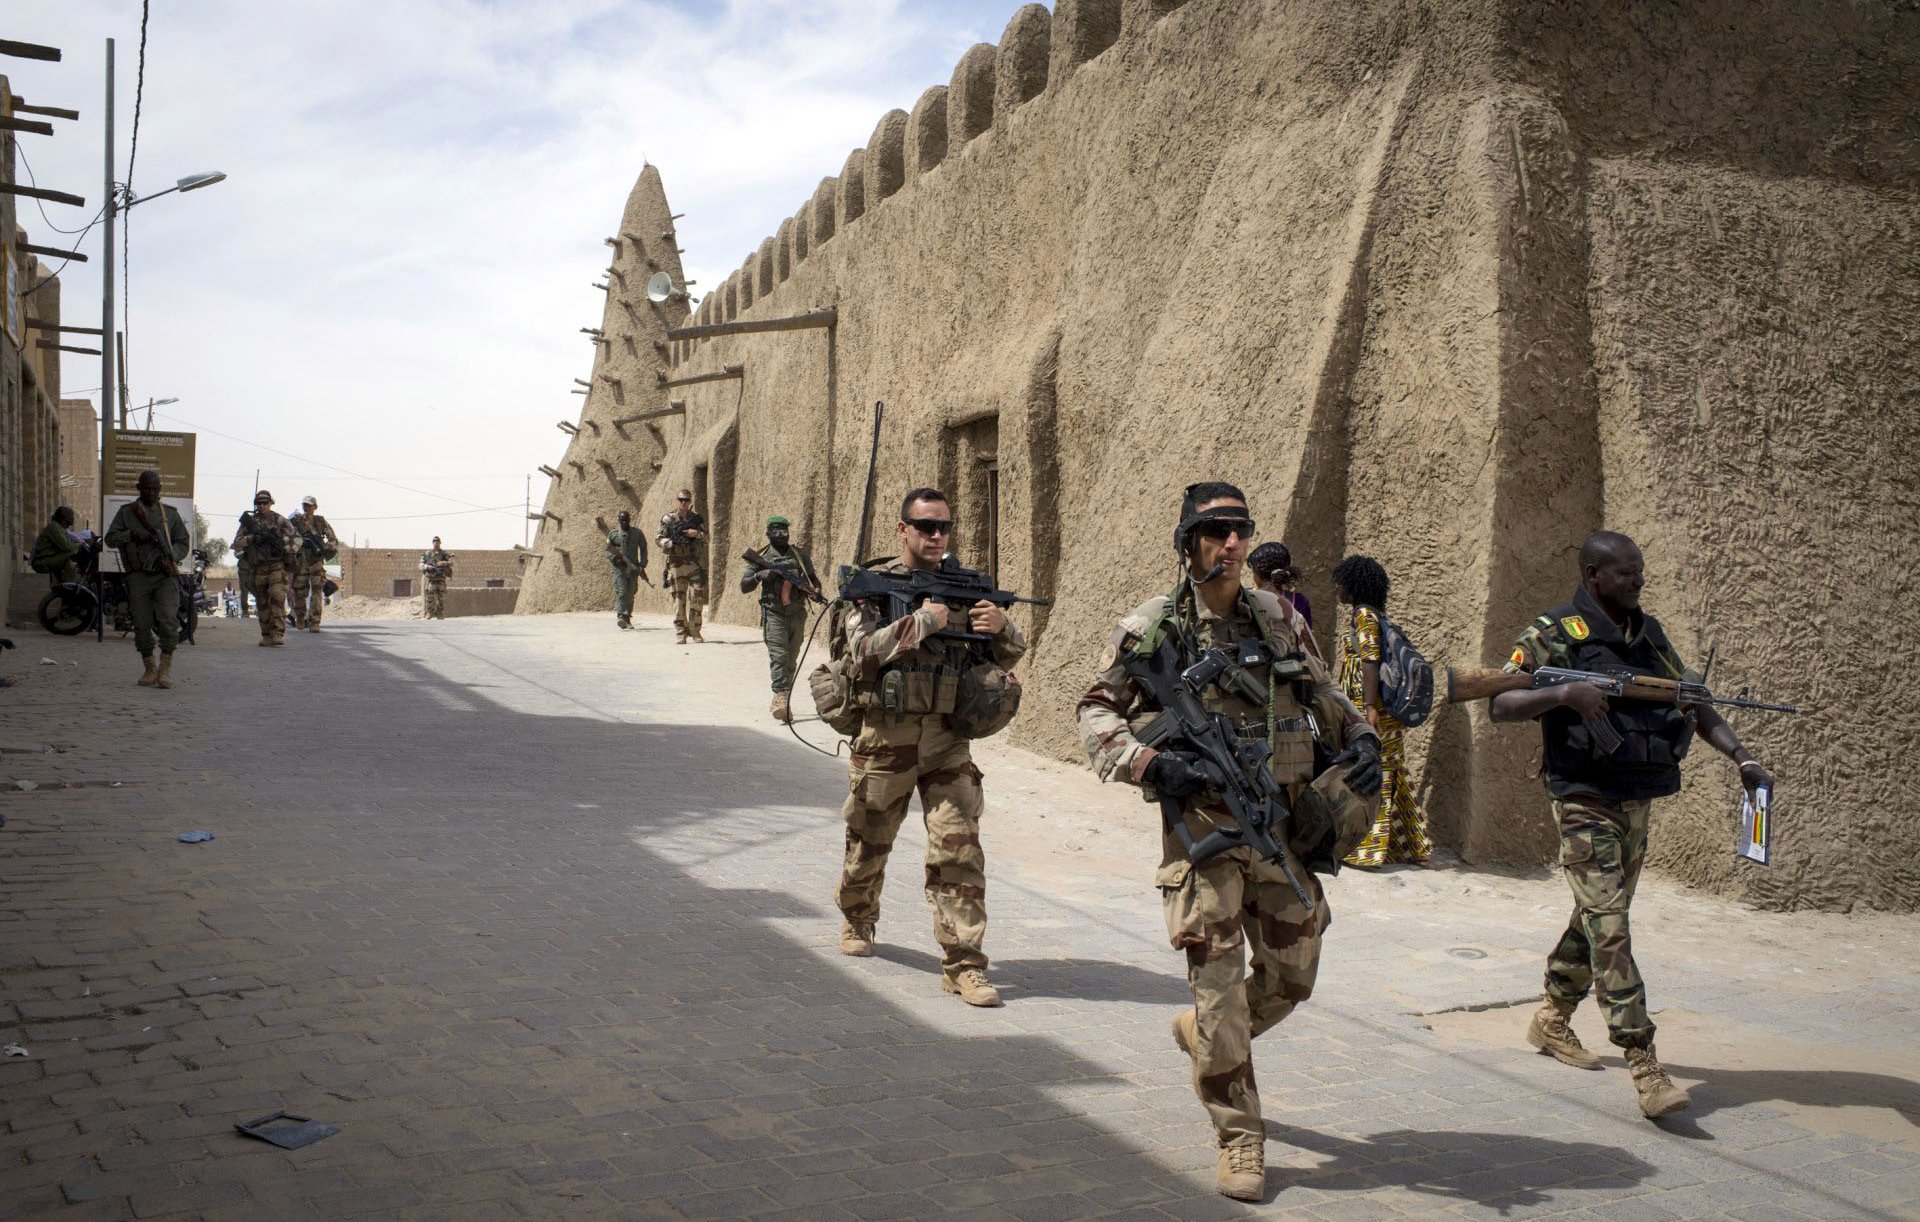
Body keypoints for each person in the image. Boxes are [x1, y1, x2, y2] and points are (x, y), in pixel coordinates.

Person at [1076, 481, 1381, 1202]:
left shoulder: (1276, 616)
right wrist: (1151, 761)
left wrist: (1360, 735)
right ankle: (1240, 1137)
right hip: (1205, 833)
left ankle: (1204, 1034)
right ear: (1189, 544)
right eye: (1215, 533)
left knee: (1292, 978)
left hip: (1278, 824)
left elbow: (1321, 690)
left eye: (1239, 531)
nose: (1232, 545)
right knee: (1219, 991)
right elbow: (1094, 710)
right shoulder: (1156, 627)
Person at [1494, 530, 1775, 1120]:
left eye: (1640, 573)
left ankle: (1550, 1018)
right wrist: (1567, 692)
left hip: (1635, 800)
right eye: (1627, 574)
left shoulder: (1647, 634)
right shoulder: (1554, 631)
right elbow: (1501, 701)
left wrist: (1741, 757)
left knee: (1596, 916)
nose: (1638, 583)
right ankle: (1644, 1062)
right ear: (1595, 574)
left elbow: (1692, 701)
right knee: (1611, 923)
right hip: (1581, 798)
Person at [833, 488, 1025, 1007]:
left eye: (943, 527)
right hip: (885, 736)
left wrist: (1003, 629)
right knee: (868, 841)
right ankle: (858, 915)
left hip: (947, 740)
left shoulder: (965, 587)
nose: (936, 536)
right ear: (903, 530)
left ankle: (964, 964)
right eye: (925, 527)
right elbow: (860, 651)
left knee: (958, 849)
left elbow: (1009, 653)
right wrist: (923, 621)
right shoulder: (874, 587)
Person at [1331, 555, 1432, 870]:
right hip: (1381, 711)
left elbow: (1369, 661)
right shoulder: (1377, 614)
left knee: (1371, 772)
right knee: (1392, 771)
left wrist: (1368, 708)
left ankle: (1367, 850)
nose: (1337, 589)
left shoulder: (1362, 615)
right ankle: (1408, 846)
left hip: (1369, 709)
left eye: (1340, 583)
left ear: (1353, 586)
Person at [103, 471, 191, 687]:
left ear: (160, 489)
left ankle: (165, 669)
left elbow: (183, 541)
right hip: (138, 575)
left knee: (169, 620)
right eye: (146, 488)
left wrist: (171, 555)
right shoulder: (127, 513)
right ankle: (150, 667)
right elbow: (110, 539)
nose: (151, 492)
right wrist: (132, 535)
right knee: (141, 624)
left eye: (155, 489)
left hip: (165, 576)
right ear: (138, 488)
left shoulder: (169, 514)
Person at [740, 515, 821, 723]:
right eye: (776, 532)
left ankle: (783, 696)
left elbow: (813, 578)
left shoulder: (800, 555)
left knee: (791, 659)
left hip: (797, 613)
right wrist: (760, 576)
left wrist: (815, 589)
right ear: (768, 534)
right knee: (779, 656)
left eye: (784, 531)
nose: (781, 535)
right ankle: (781, 697)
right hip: (774, 613)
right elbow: (744, 586)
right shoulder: (762, 556)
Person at [232, 491, 299, 646]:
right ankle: (267, 635)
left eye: (265, 503)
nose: (262, 506)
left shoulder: (280, 520)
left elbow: (297, 539)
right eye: (259, 503)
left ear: (271, 503)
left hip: (276, 565)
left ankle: (277, 633)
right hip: (258, 567)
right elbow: (236, 542)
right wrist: (252, 538)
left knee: (277, 596)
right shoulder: (250, 522)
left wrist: (283, 546)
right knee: (262, 602)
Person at [1247, 541, 1321, 666]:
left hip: (1259, 670)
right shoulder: (1299, 601)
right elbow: (1306, 640)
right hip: (1295, 669)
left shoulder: (1249, 600)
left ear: (1257, 574)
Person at [657, 490, 707, 643]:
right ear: (677, 500)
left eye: (686, 500)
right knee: (679, 599)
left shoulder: (696, 519)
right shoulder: (668, 519)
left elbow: (707, 536)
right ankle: (681, 631)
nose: (684, 502)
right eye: (681, 500)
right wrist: (671, 542)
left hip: (695, 563)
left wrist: (696, 533)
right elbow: (658, 539)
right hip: (676, 563)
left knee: (697, 597)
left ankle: (695, 630)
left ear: (690, 501)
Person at [289, 495, 339, 633]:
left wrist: (326, 549)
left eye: (309, 505)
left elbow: (333, 539)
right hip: (301, 561)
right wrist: (297, 545)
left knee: (317, 592)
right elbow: (287, 538)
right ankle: (300, 618)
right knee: (300, 592)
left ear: (315, 507)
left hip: (316, 561)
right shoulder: (295, 521)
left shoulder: (320, 522)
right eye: (305, 505)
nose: (307, 507)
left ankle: (314, 622)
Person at [604, 509, 649, 630]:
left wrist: (642, 565)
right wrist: (614, 558)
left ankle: (627, 617)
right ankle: (621, 616)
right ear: (619, 520)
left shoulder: (637, 533)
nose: (624, 522)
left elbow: (643, 548)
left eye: (626, 520)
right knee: (622, 591)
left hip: (632, 567)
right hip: (619, 568)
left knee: (631, 593)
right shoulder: (613, 534)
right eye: (622, 520)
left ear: (629, 520)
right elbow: (607, 550)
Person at [30, 506, 82, 585]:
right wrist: (81, 545)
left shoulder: (60, 529)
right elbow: (66, 546)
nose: (73, 518)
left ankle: (71, 581)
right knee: (70, 553)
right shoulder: (54, 527)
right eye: (71, 516)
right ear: (65, 517)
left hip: (48, 559)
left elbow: (70, 543)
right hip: (42, 562)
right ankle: (70, 584)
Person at [420, 537, 454, 619]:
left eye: (437, 540)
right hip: (431, 579)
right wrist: (427, 567)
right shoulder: (427, 553)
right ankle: (430, 613)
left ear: (440, 542)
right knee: (430, 598)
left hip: (441, 579)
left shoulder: (444, 553)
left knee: (441, 598)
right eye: (434, 541)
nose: (436, 542)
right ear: (432, 542)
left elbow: (451, 563)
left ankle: (440, 614)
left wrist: (443, 563)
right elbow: (420, 565)